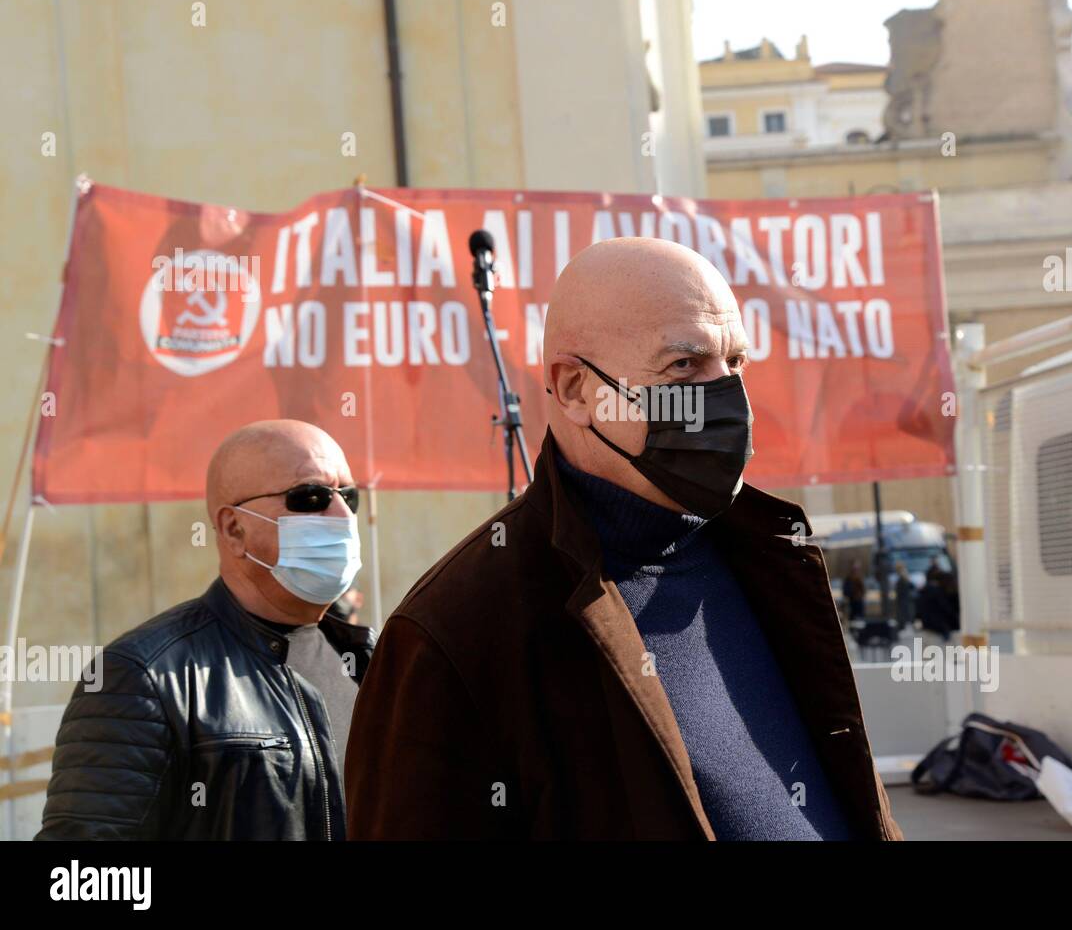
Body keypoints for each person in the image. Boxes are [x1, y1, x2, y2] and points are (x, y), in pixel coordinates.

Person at [346, 237, 902, 841]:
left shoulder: (770, 555)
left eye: (735, 363)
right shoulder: (456, 631)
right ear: (577, 390)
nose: (729, 398)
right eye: (685, 366)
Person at [37, 420, 374, 840]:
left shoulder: (375, 663)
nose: (342, 516)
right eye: (310, 497)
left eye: (349, 496)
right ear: (234, 529)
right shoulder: (145, 677)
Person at [915, 569, 953, 647]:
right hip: (938, 627)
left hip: (926, 626)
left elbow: (918, 610)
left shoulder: (923, 591)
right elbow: (945, 608)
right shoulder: (938, 592)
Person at [893, 560, 916, 627]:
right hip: (908, 604)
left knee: (905, 626)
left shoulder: (901, 580)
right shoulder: (906, 578)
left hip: (904, 605)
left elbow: (900, 594)